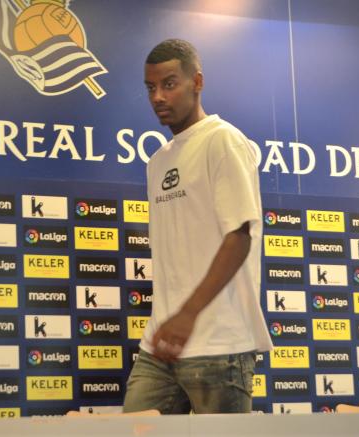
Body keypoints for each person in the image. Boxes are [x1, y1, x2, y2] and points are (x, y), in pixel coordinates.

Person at [122, 39, 273, 414]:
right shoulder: (157, 162)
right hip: (160, 347)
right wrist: (171, 321)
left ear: (197, 82)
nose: (158, 96)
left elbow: (239, 237)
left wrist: (188, 314)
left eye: (169, 84)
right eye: (151, 87)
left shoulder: (222, 140)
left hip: (219, 346)